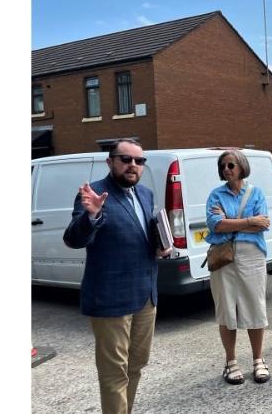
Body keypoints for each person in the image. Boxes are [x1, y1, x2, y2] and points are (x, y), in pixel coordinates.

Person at [63, 139, 171, 414]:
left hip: (145, 295)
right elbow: (73, 239)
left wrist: (160, 246)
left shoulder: (145, 194)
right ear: (110, 161)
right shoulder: (94, 193)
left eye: (139, 161)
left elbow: (140, 235)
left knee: (136, 365)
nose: (133, 165)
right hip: (111, 297)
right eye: (126, 159)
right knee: (114, 373)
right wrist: (92, 216)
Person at [205, 150, 272, 385]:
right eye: (223, 166)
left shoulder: (256, 193)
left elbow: (263, 224)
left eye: (231, 165)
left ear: (242, 166)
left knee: (255, 307)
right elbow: (215, 225)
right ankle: (231, 362)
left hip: (252, 256)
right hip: (224, 257)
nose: (226, 169)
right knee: (226, 309)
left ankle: (258, 360)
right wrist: (249, 221)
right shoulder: (216, 195)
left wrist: (230, 222)